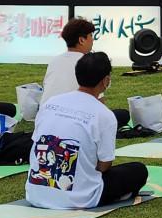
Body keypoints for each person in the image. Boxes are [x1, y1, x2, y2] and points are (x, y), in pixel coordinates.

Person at [26, 52, 148, 210]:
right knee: (138, 170)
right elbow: (104, 165)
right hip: (80, 198)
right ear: (106, 81)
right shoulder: (104, 115)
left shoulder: (50, 103)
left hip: (35, 193)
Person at [41, 18, 96, 105]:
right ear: (81, 40)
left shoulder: (54, 61)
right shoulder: (90, 63)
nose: (93, 40)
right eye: (91, 36)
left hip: (45, 114)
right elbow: (98, 102)